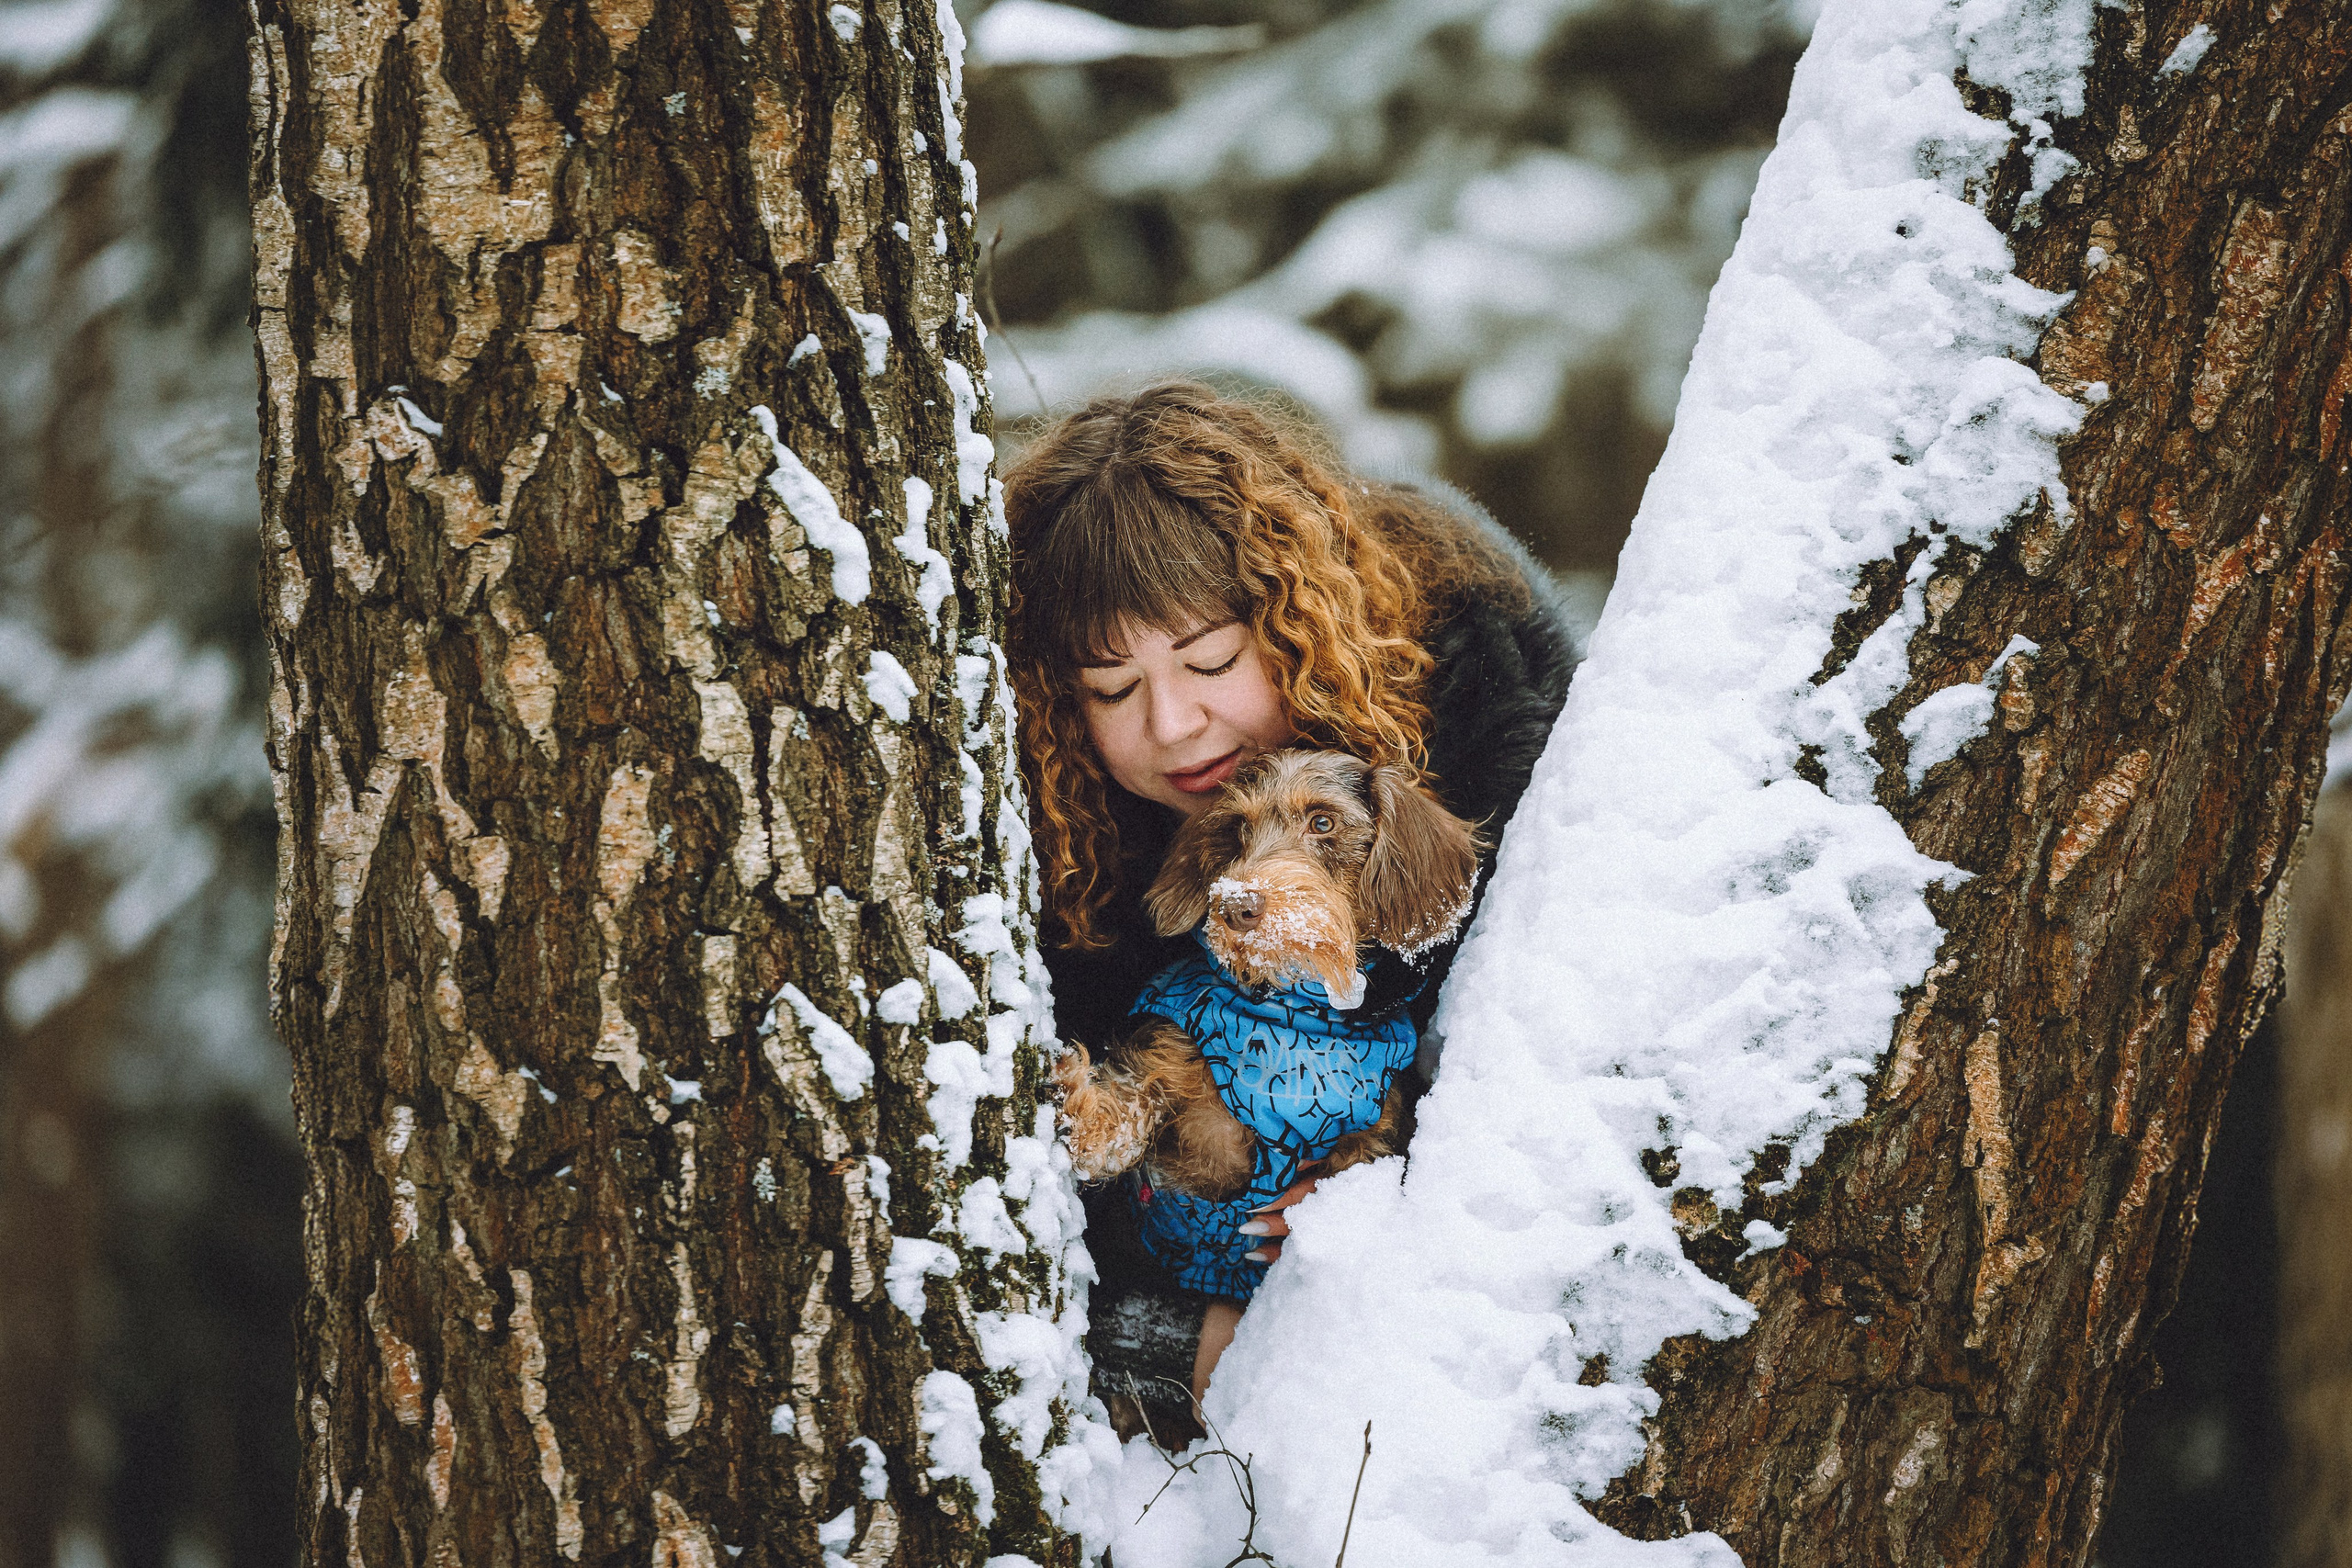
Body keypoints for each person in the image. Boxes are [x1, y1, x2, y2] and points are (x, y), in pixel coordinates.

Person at [1002, 381, 1580, 1438]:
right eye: (1111, 688)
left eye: (1212, 661)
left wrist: (1388, 1199)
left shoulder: (1490, 719)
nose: (1175, 726)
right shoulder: (1049, 846)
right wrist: (1176, 1330)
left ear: (1300, 615)